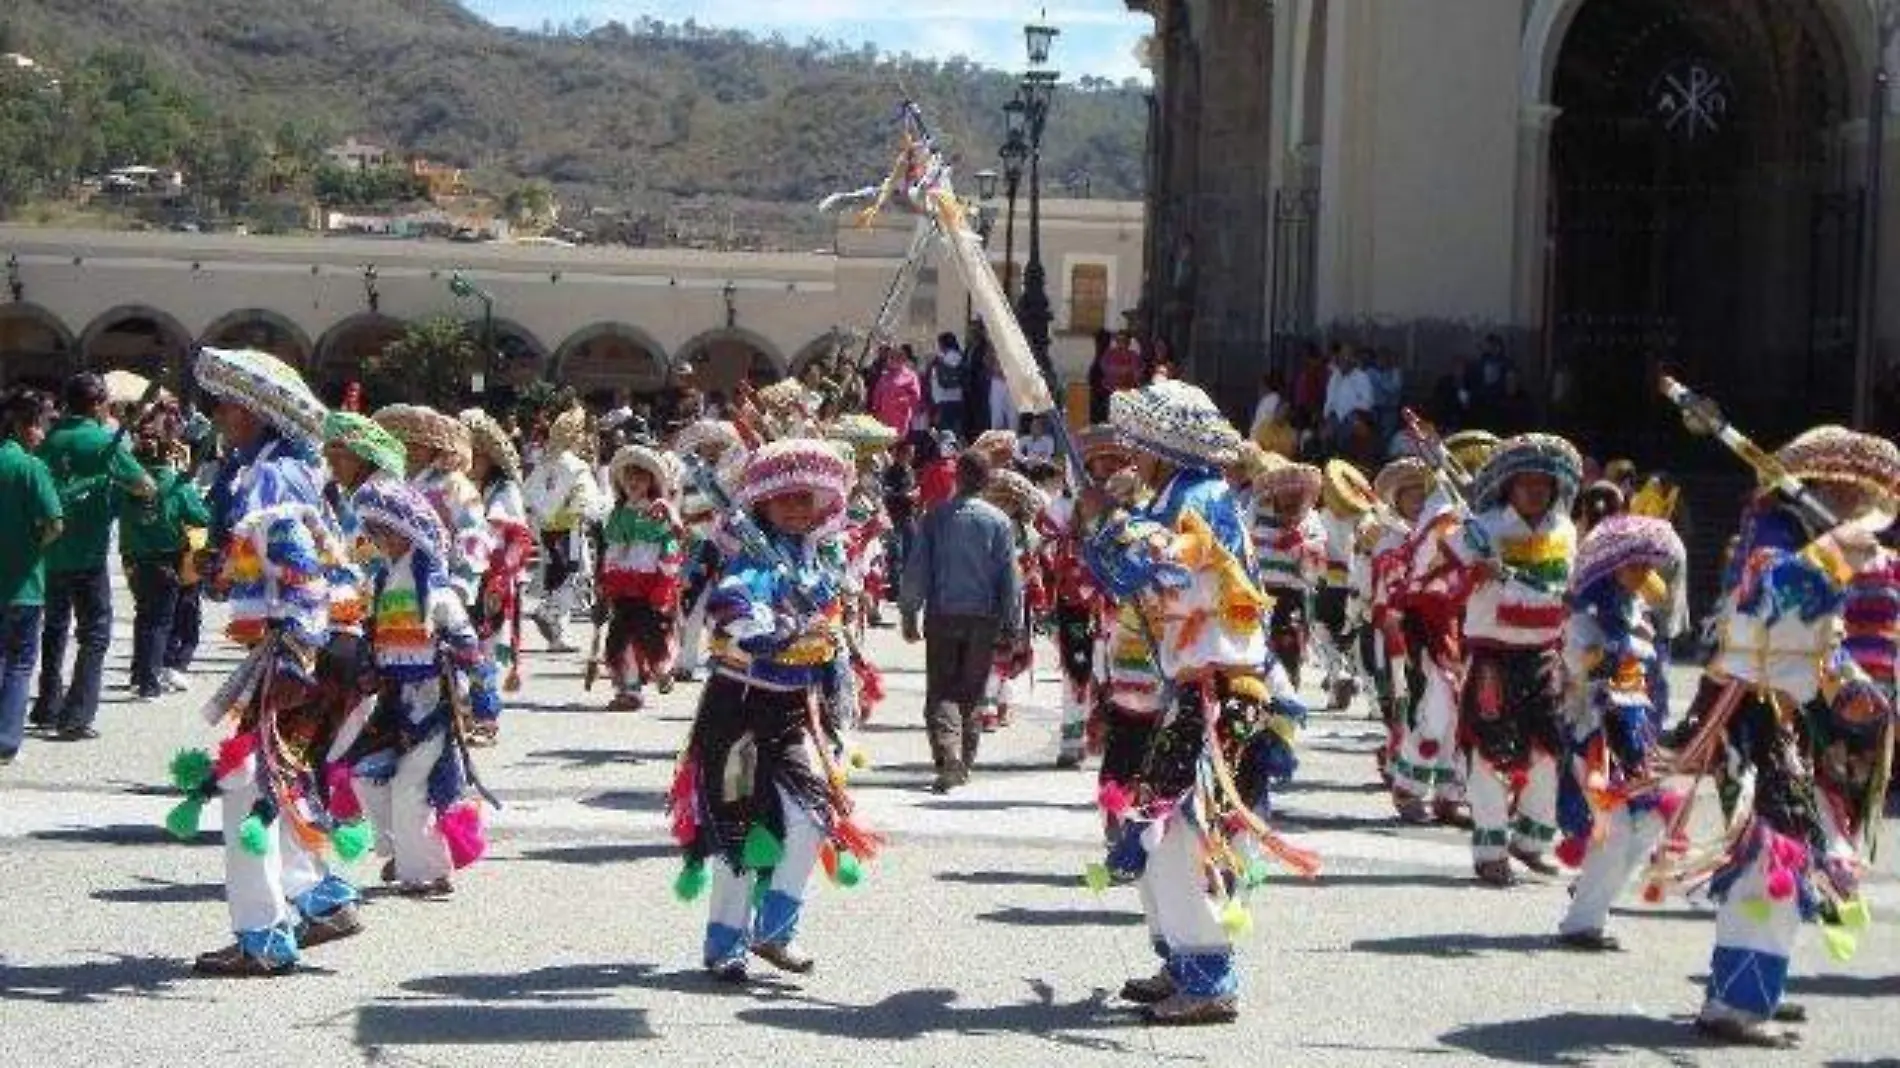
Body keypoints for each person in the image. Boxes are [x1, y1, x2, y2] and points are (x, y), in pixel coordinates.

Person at [1075, 379, 1306, 1025]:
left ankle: (1209, 976)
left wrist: (1108, 519)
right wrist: (1103, 524)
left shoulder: (1200, 500)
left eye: (1137, 445)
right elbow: (1123, 574)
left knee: (1179, 832)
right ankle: (1182, 960)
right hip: (1191, 689)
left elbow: (1163, 566)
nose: (1129, 454)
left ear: (1157, 447)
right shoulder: (1175, 497)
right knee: (1158, 827)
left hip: (1219, 691)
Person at [1666, 426, 1898, 1046]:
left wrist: (1854, 687)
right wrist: (1828, 551)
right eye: (1840, 489)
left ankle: (1752, 990)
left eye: (1860, 491)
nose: (1851, 501)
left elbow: (1836, 640)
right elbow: (1771, 603)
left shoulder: (1842, 547)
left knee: (1796, 856)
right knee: (1769, 855)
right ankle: (1733, 1005)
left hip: (1797, 717)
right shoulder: (1773, 537)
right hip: (1759, 713)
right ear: (1813, 485)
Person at [178, 346, 363, 977]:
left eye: (233, 403)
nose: (222, 412)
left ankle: (262, 935)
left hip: (298, 645)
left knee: (243, 786)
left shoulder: (271, 478)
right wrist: (227, 572)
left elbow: (301, 572)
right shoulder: (288, 469)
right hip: (315, 641)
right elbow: (277, 565)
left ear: (260, 412)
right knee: (280, 779)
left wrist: (296, 655)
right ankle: (317, 896)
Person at [668, 439, 880, 982]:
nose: (793, 507)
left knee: (812, 820)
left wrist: (823, 635)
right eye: (781, 498)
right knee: (736, 831)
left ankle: (774, 930)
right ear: (761, 504)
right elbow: (729, 607)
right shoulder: (748, 558)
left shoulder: (819, 557)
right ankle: (725, 946)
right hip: (736, 709)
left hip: (791, 710)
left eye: (803, 497)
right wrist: (781, 627)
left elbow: (830, 624)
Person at [341, 478, 488, 899]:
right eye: (374, 533)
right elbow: (376, 640)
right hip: (392, 702)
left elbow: (468, 646)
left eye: (384, 532)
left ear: (406, 533)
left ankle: (428, 871)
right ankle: (399, 850)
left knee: (409, 787)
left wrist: (472, 688)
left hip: (432, 704)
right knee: (367, 775)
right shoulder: (384, 583)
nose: (379, 541)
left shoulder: (435, 588)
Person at [1451, 433, 1583, 886]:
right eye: (1525, 483)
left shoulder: (1565, 532)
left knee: (1549, 748)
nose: (1535, 492)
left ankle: (1532, 840)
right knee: (1489, 750)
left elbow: (1571, 590)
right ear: (1508, 486)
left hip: (1545, 654)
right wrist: (1476, 571)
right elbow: (1447, 579)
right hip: (1493, 655)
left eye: (1543, 484)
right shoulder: (1479, 527)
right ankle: (1490, 848)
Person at [1552, 514, 1685, 952]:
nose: (1643, 574)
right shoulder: (1585, 617)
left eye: (1648, 566)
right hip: (1596, 735)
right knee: (1615, 828)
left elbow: (1650, 683)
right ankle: (1581, 923)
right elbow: (1578, 668)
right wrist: (1610, 657)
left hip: (1636, 736)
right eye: (1633, 565)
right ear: (1610, 567)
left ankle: (1594, 902)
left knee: (1649, 822)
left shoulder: (1640, 615)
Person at [31, 373, 155, 740]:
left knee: (53, 629)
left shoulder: (48, 439)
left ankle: (47, 704)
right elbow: (144, 484)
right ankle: (77, 713)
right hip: (87, 551)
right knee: (95, 632)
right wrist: (110, 480)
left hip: (49, 550)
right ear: (99, 405)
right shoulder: (101, 440)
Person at [899, 449, 1024, 793]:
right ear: (986, 481)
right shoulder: (998, 522)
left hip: (943, 614)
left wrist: (910, 611)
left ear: (958, 477)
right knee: (971, 691)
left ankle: (949, 755)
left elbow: (917, 569)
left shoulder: (936, 518)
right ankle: (963, 763)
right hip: (983, 618)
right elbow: (1009, 578)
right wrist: (1012, 623)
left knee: (941, 690)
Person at [120, 402, 211, 700]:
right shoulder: (175, 483)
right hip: (164, 559)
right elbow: (201, 517)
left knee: (143, 615)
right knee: (159, 621)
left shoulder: (125, 483)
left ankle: (137, 672)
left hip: (132, 558)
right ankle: (148, 681)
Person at [462, 408, 534, 740]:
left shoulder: (504, 491)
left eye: (478, 453)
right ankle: (461, 709)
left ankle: (485, 714)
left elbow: (516, 538)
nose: (472, 459)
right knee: (459, 643)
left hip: (494, 578)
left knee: (485, 646)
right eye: (466, 451)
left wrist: (500, 576)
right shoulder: (455, 486)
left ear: (491, 457)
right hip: (460, 575)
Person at [599, 444, 686, 711]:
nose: (634, 482)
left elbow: (671, 547)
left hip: (650, 586)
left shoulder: (660, 512)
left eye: (640, 477)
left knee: (650, 634)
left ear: (651, 481)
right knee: (618, 639)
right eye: (629, 477)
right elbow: (611, 551)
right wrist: (605, 582)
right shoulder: (617, 514)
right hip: (622, 586)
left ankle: (662, 668)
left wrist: (665, 582)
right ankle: (629, 689)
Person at [0, 388, 61, 766]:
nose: (42, 434)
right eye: (40, 426)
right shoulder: (30, 467)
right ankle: (6, 741)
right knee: (20, 663)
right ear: (27, 426)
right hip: (23, 584)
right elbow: (54, 522)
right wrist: (36, 544)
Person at [523, 404, 607, 651]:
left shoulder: (545, 463)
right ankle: (547, 611)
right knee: (574, 576)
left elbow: (529, 494)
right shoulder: (576, 466)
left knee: (555, 577)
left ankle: (558, 636)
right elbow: (587, 501)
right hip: (569, 527)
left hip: (547, 529)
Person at [869, 344, 923, 437]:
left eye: (895, 358)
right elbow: (877, 393)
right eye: (891, 358)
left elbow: (915, 396)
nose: (892, 361)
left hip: (900, 417)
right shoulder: (885, 376)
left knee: (897, 441)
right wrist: (875, 408)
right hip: (883, 417)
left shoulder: (910, 376)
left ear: (902, 360)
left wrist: (901, 401)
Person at [926, 331, 969, 433]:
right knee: (949, 432)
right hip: (949, 400)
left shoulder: (951, 356)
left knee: (947, 433)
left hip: (947, 400)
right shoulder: (949, 356)